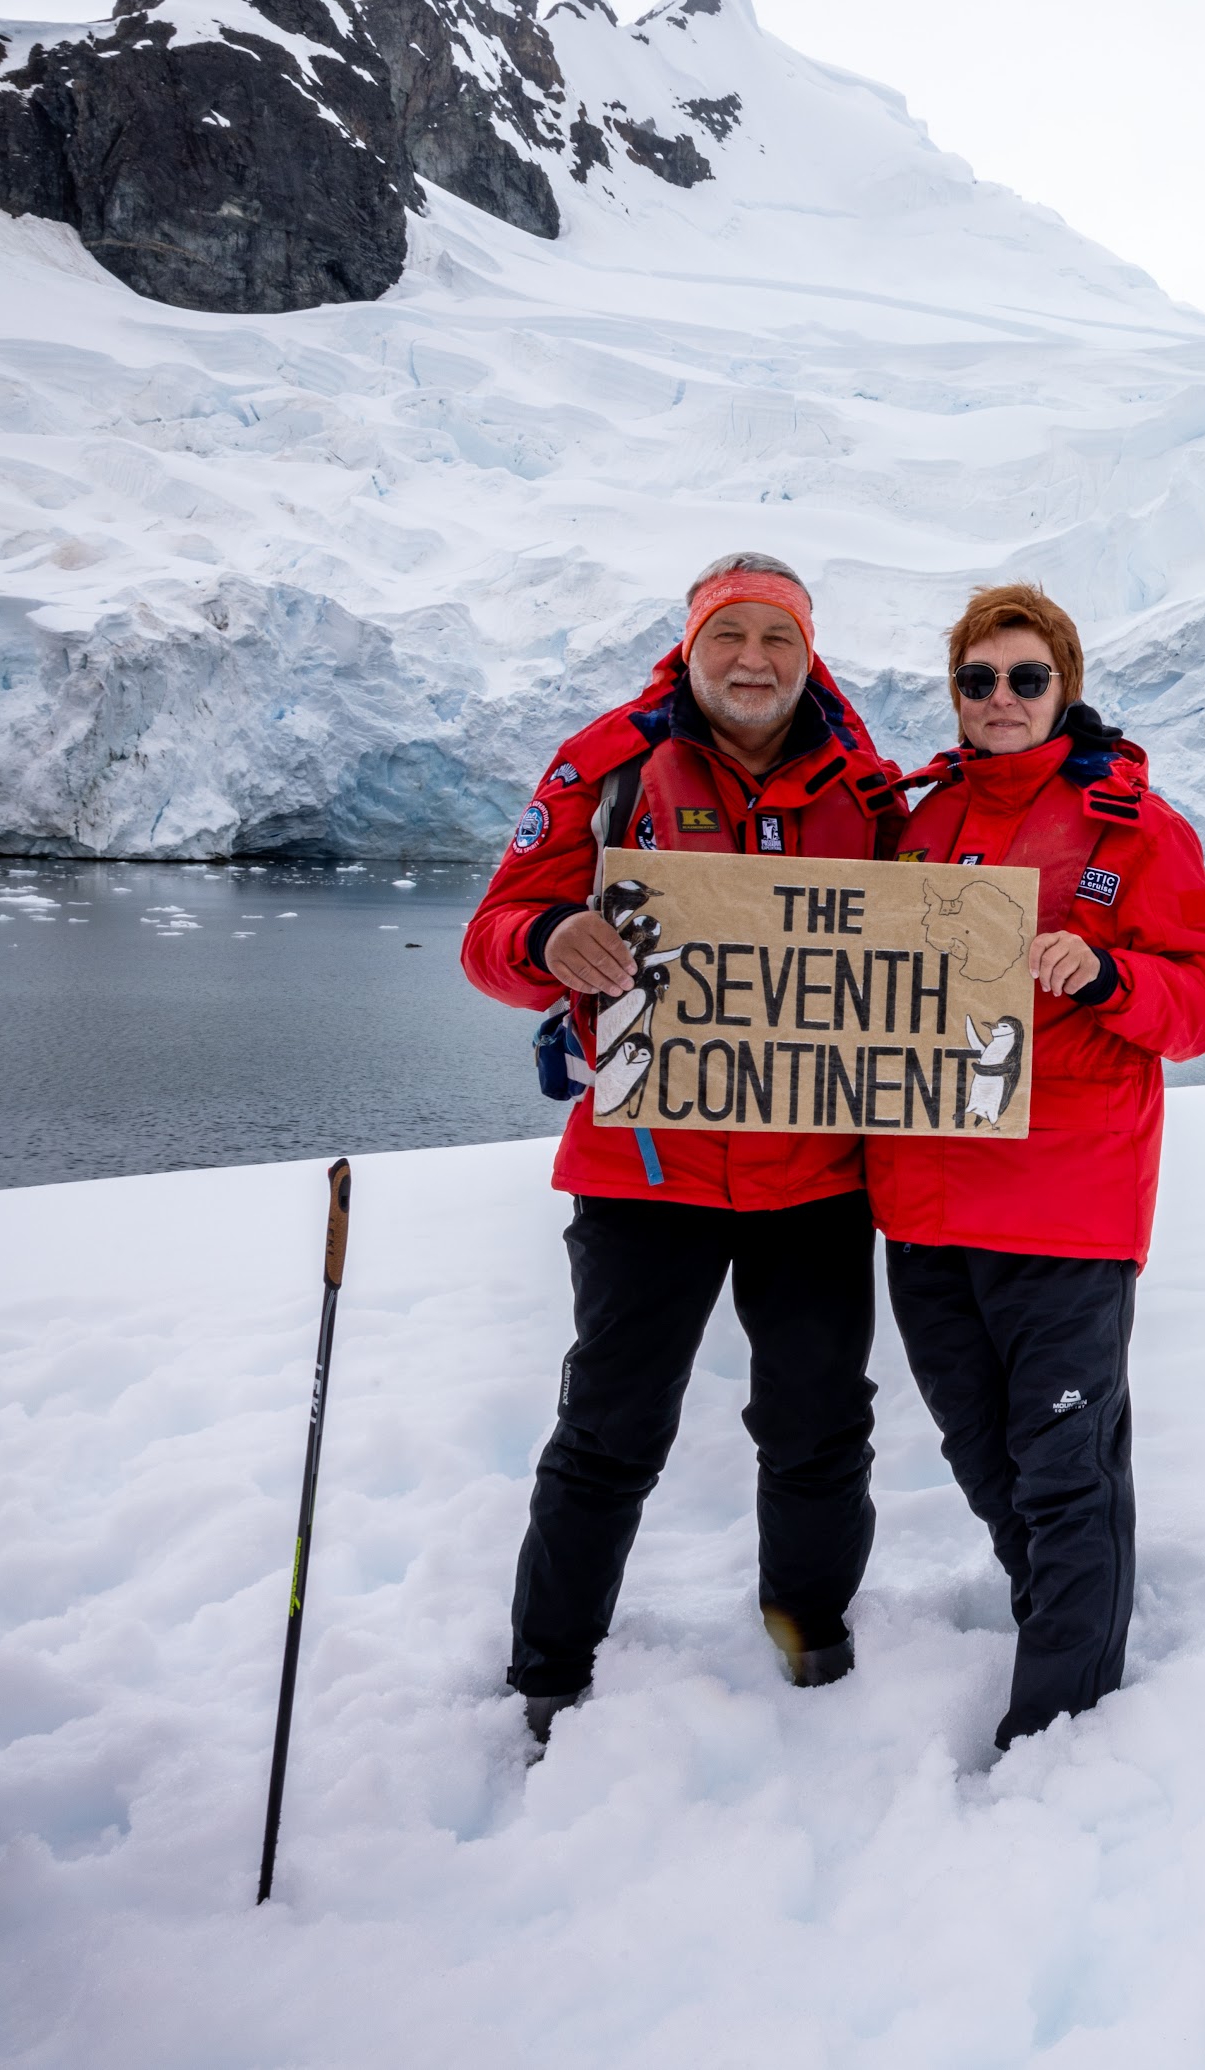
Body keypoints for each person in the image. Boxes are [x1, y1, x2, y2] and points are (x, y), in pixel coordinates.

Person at [462, 553, 909, 1745]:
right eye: (730, 636)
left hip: (813, 1174)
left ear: (808, 651)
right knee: (610, 1429)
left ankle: (809, 1629)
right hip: (643, 1170)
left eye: (776, 637)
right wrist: (550, 935)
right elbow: (492, 934)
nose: (752, 659)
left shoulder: (864, 785)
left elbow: (925, 957)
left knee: (818, 1422)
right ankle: (549, 1667)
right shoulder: (608, 764)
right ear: (691, 642)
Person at [868, 582, 1205, 1751]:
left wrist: (1112, 976)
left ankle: (1061, 1731)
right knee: (986, 1461)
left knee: (1065, 1472)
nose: (1003, 700)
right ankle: (1067, 1635)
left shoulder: (1135, 829)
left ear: (1064, 685)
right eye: (980, 680)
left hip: (1068, 1210)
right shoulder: (912, 825)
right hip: (927, 1207)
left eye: (1027, 677)